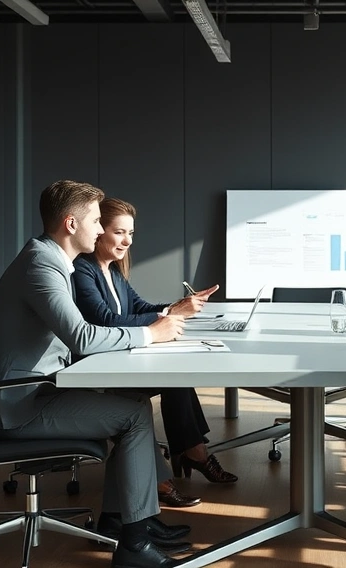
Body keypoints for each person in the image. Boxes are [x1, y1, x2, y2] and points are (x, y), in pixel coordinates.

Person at [0, 180, 187, 568]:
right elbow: (81, 336)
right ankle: (134, 545)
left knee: (131, 402)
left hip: (35, 390)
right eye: (95, 220)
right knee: (134, 415)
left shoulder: (52, 260)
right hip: (18, 404)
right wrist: (150, 334)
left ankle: (120, 520)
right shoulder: (41, 265)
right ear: (71, 224)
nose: (100, 228)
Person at [72, 197, 238, 489]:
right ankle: (191, 454)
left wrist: (182, 305)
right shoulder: (84, 270)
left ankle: (191, 451)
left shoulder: (112, 271)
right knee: (173, 377)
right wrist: (170, 315)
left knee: (177, 375)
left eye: (131, 233)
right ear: (99, 231)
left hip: (118, 356)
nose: (127, 241)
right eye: (119, 232)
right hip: (98, 366)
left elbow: (140, 307)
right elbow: (104, 319)